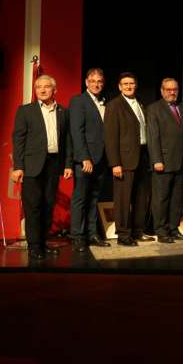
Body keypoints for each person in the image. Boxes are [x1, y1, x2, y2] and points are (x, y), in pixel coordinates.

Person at [11, 75, 73, 260]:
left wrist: (68, 164)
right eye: (39, 87)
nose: (42, 90)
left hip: (53, 164)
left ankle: (43, 243)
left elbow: (67, 140)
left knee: (48, 205)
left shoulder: (63, 111)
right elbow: (18, 140)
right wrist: (18, 166)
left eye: (46, 87)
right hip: (31, 165)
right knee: (33, 206)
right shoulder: (25, 111)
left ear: (55, 90)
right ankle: (34, 247)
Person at [104, 72, 153, 246]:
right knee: (123, 199)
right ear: (119, 86)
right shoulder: (114, 105)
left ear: (136, 85)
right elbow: (110, 138)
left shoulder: (140, 103)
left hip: (142, 155)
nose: (129, 86)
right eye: (125, 84)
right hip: (124, 160)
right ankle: (123, 235)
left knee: (141, 197)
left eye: (131, 83)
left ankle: (138, 231)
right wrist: (115, 163)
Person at [146, 78, 183, 243]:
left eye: (175, 89)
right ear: (162, 90)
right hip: (163, 162)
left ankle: (174, 228)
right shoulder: (153, 109)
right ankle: (161, 230)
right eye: (168, 89)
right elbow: (153, 137)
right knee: (161, 199)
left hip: (182, 162)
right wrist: (156, 160)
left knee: (177, 199)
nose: (172, 92)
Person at [68, 68, 110, 252]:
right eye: (93, 81)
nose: (96, 84)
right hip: (85, 160)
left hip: (101, 158)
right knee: (80, 198)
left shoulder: (105, 101)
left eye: (99, 81)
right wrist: (84, 157)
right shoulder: (79, 101)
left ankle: (92, 233)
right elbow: (77, 132)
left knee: (94, 198)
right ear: (86, 82)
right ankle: (77, 236)